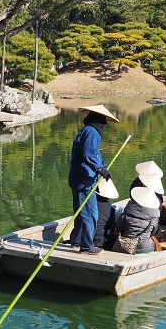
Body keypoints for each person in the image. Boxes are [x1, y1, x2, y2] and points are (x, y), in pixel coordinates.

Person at [68, 104, 119, 254]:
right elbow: (89, 154)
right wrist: (100, 169)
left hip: (77, 178)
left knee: (79, 212)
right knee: (90, 214)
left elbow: (91, 154)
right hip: (84, 180)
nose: (104, 124)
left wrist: (101, 166)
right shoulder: (92, 133)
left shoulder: (85, 130)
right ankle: (86, 246)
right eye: (103, 121)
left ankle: (75, 241)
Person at [115, 186, 161, 253]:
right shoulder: (155, 214)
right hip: (144, 246)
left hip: (125, 244)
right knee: (154, 242)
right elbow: (153, 231)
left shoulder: (129, 209)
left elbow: (119, 226)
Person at [94, 177, 120, 249]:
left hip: (83, 239)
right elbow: (112, 226)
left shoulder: (88, 204)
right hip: (98, 241)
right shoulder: (109, 209)